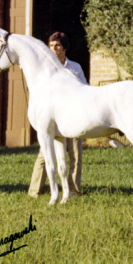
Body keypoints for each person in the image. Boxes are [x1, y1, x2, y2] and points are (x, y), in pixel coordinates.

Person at [28, 31, 88, 197]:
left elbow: (85, 89)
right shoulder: (44, 70)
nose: (53, 49)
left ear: (64, 48)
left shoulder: (75, 68)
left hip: (74, 117)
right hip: (53, 119)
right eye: (51, 46)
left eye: (57, 46)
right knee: (44, 155)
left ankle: (74, 190)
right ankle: (34, 191)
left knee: (76, 155)